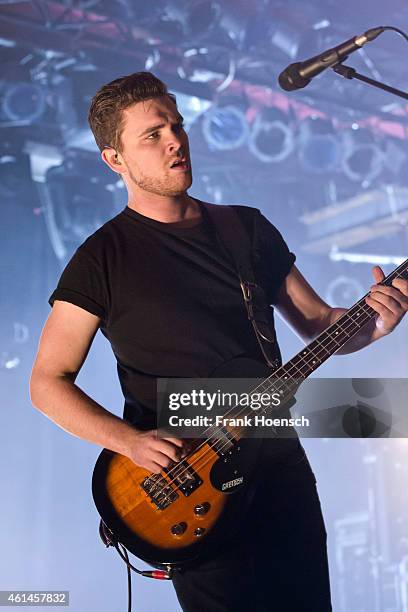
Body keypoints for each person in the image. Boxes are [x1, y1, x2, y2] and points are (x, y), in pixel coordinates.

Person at [30, 72, 408, 611]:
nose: (175, 142)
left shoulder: (245, 229)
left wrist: (374, 325)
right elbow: (47, 383)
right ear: (114, 159)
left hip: (278, 475)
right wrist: (130, 443)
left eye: (177, 126)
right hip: (188, 489)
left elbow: (321, 323)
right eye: (153, 135)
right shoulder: (101, 260)